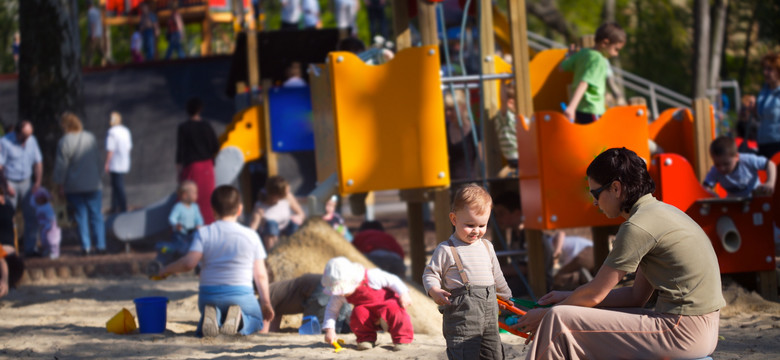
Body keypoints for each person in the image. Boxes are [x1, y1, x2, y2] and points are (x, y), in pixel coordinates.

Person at [515, 147, 725, 360]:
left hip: (681, 332)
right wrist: (568, 296)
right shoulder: (662, 213)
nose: (595, 203)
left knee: (559, 319)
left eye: (595, 194)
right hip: (701, 331)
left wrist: (545, 313)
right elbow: (636, 297)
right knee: (568, 315)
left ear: (615, 188)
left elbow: (595, 293)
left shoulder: (638, 226)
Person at [158, 185, 274, 337]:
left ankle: (214, 316)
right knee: (257, 320)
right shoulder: (251, 235)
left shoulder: (204, 232)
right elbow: (260, 275)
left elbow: (188, 263)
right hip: (240, 294)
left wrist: (166, 270)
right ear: (239, 210)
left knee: (211, 312)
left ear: (213, 210)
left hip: (208, 296)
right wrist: (265, 302)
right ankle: (239, 320)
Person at [423, 184, 512, 359]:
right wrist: (433, 290)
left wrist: (506, 296)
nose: (476, 231)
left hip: (489, 311)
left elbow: (497, 275)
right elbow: (430, 273)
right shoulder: (447, 249)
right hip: (462, 314)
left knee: (492, 350)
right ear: (454, 219)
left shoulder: (487, 246)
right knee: (464, 349)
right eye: (470, 225)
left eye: (482, 225)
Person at [321, 256, 413, 351]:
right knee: (358, 312)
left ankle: (402, 339)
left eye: (344, 289)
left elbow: (393, 280)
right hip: (367, 311)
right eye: (340, 290)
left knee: (395, 309)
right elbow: (332, 310)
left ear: (353, 279)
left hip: (387, 303)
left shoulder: (371, 276)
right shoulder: (339, 294)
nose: (343, 293)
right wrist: (330, 330)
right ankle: (366, 339)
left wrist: (403, 293)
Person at [52, 112, 106, 255]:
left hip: (74, 185)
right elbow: (99, 160)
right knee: (96, 215)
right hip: (94, 184)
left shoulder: (64, 141)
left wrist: (60, 184)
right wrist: (99, 176)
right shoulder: (90, 137)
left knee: (81, 216)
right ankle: (101, 245)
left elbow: (61, 166)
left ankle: (86, 247)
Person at [560, 22, 626, 124]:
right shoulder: (599, 60)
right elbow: (584, 82)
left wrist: (569, 55)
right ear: (605, 43)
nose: (616, 54)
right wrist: (571, 107)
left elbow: (561, 67)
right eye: (616, 49)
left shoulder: (582, 54)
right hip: (592, 109)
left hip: (581, 109)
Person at [0, 120, 43, 257]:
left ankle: (31, 248)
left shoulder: (32, 141)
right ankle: (10, 249)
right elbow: (0, 166)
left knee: (31, 215)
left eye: (29, 136)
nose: (27, 139)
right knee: (8, 218)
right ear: (17, 133)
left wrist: (37, 182)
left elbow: (38, 162)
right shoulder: (5, 142)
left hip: (26, 181)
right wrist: (5, 186)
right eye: (24, 136)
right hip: (10, 181)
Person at [176, 97, 219, 224]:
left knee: (190, 196)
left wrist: (178, 171)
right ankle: (210, 223)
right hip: (207, 166)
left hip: (192, 167)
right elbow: (215, 146)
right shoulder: (206, 126)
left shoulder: (183, 127)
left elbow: (180, 151)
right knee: (208, 198)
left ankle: (187, 224)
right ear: (200, 109)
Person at [262, 273, 351, 333]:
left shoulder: (263, 299)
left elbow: (263, 332)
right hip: (325, 284)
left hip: (318, 288)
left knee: (314, 330)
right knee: (342, 316)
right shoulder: (274, 292)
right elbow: (273, 328)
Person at [703, 136, 776, 198]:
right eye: (717, 164)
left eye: (726, 164)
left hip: (755, 198)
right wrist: (714, 196)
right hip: (735, 203)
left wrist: (770, 182)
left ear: (736, 157)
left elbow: (770, 164)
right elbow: (705, 187)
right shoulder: (715, 170)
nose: (722, 168)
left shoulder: (747, 160)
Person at [248, 176, 305, 251]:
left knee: (294, 223)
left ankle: (294, 250)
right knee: (271, 224)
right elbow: (252, 228)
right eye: (286, 191)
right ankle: (272, 253)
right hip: (270, 236)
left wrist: (298, 217)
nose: (288, 192)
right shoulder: (260, 206)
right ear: (276, 194)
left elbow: (301, 213)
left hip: (285, 230)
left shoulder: (287, 197)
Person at [445, 90, 477, 181]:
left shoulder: (474, 131)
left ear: (463, 107)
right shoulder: (444, 130)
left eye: (451, 108)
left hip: (470, 183)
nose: (448, 113)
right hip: (450, 184)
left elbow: (482, 161)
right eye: (446, 109)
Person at [105, 111, 132, 213]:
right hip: (124, 161)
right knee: (116, 185)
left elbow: (110, 149)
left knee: (118, 185)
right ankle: (115, 206)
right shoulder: (126, 131)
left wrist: (107, 163)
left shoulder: (112, 132)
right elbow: (129, 148)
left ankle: (122, 206)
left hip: (115, 163)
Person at [756, 53, 780, 159]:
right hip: (763, 143)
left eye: (770, 69)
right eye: (764, 68)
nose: (765, 72)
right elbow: (761, 117)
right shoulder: (763, 92)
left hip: (777, 143)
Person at [493, 81, 518, 169]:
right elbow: (503, 101)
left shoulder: (514, 117)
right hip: (514, 156)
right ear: (510, 103)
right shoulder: (505, 117)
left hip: (516, 156)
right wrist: (502, 83)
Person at [30, 188, 60, 259]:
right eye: (37, 198)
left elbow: (52, 218)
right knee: (44, 240)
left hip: (51, 227)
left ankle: (55, 253)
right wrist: (33, 194)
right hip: (43, 227)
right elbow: (31, 203)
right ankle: (47, 251)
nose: (38, 200)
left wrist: (50, 226)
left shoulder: (47, 207)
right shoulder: (38, 206)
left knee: (52, 240)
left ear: (44, 198)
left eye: (40, 198)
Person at [86, 1, 107, 66]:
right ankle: (110, 61)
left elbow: (93, 24)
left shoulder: (90, 12)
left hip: (93, 35)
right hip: (99, 34)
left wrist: (92, 34)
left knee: (89, 51)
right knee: (100, 51)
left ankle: (88, 65)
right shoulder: (97, 11)